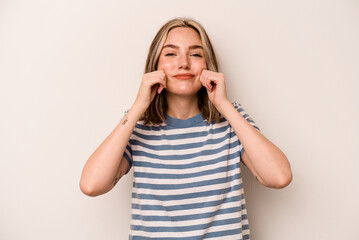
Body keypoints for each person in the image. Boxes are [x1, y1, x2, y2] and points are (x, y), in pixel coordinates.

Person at [80, 17, 292, 240]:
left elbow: (279, 177)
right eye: (171, 54)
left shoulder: (231, 119)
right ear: (155, 65)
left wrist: (224, 105)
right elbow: (91, 185)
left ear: (208, 65)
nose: (183, 63)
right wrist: (138, 107)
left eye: (196, 54)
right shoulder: (137, 124)